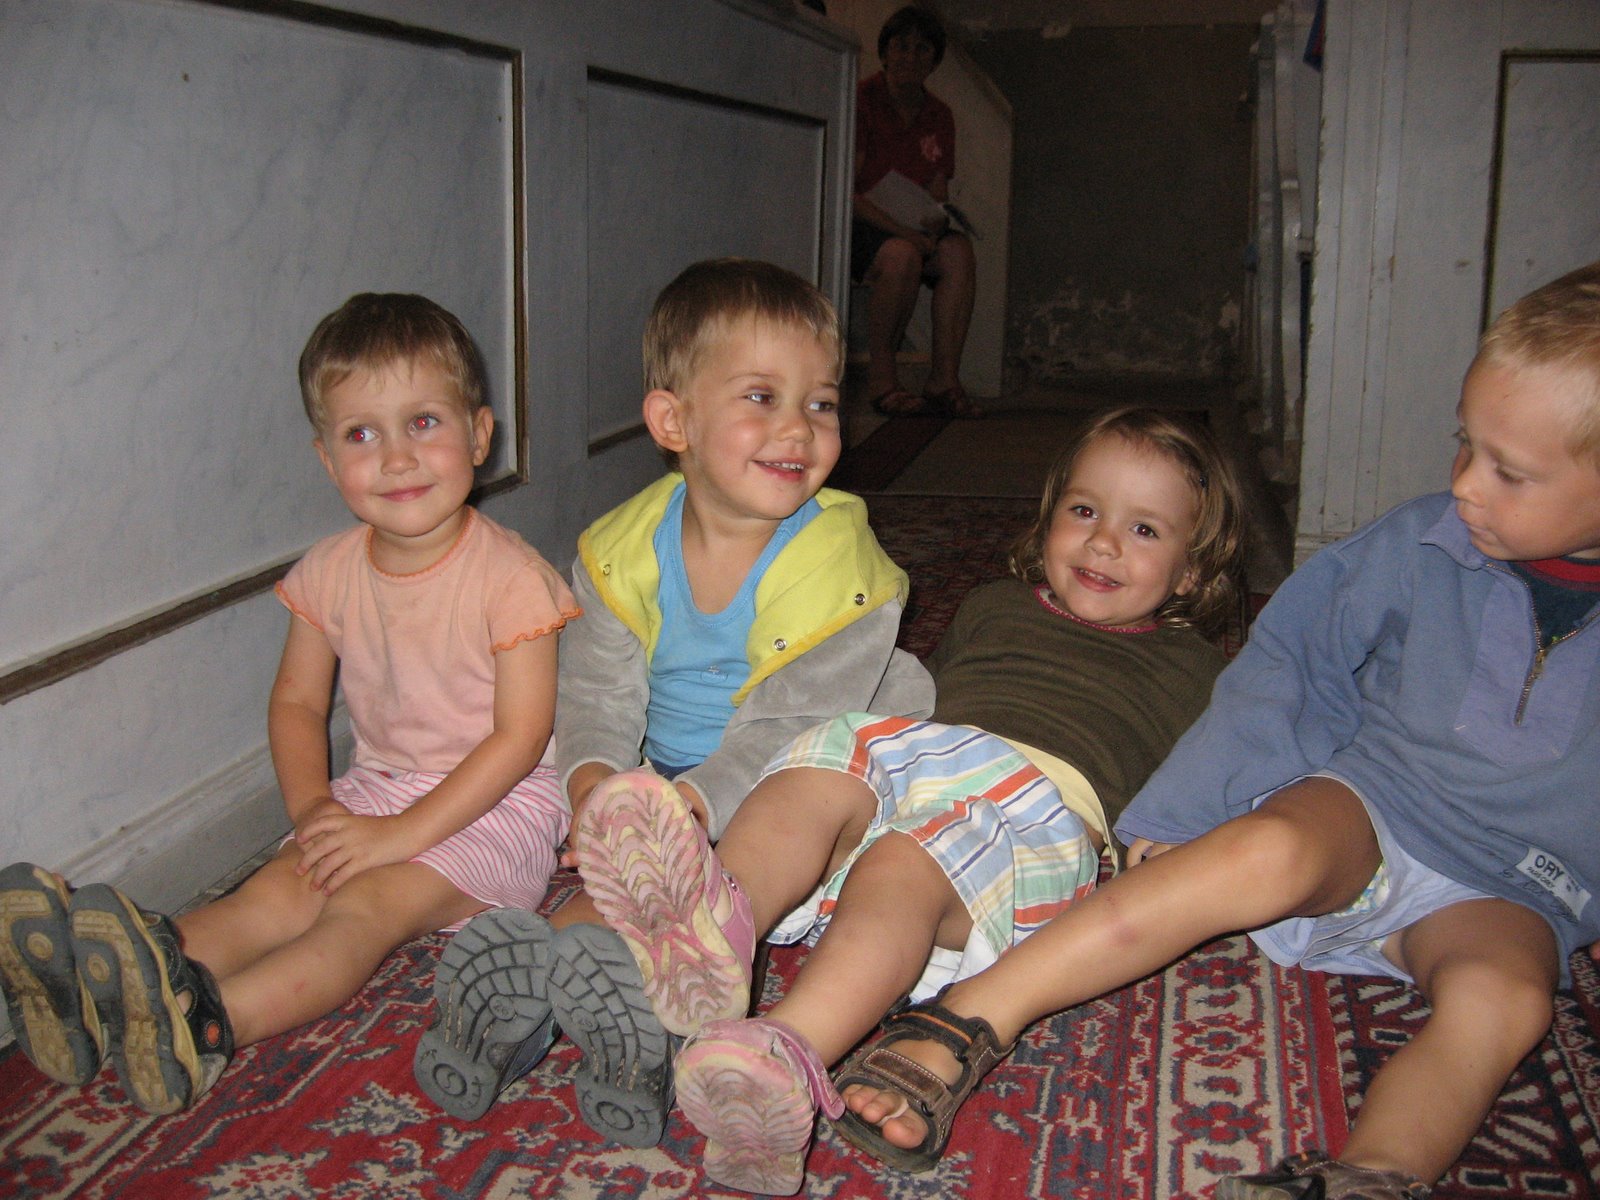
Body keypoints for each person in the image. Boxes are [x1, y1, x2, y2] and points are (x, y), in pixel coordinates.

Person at [829, 261, 1600, 1200]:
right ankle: (967, 1020)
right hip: (1375, 803)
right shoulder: (1420, 540)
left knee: (1506, 1001)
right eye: (1464, 446)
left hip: (1517, 879)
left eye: (1508, 471)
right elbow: (1292, 662)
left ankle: (1370, 1177)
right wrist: (1192, 803)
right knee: (1263, 850)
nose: (1465, 485)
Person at [572, 406, 1248, 1193]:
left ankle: (783, 1057)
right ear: (1049, 516)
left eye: (1145, 530)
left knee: (905, 861)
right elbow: (920, 703)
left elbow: (1219, 776)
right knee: (823, 761)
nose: (1103, 543)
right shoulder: (992, 604)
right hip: (928, 763)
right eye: (1085, 511)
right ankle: (718, 916)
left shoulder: (1196, 669)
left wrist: (1176, 835)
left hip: (1032, 820)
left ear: (1192, 572)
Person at [0, 293, 578, 1115]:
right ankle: (103, 987)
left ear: (480, 436)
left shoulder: (513, 578)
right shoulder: (328, 571)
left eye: (423, 423)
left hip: (499, 806)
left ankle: (205, 1023)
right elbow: (298, 703)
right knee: (274, 891)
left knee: (361, 908)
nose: (397, 458)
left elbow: (520, 738)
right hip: (381, 789)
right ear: (327, 459)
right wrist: (314, 812)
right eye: (362, 434)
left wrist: (397, 837)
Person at [412, 258, 935, 1143]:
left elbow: (791, 728)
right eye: (762, 397)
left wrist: (690, 806)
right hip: (672, 781)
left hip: (796, 778)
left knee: (715, 875)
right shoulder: (621, 553)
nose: (799, 428)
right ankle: (520, 1013)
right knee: (607, 906)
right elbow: (597, 692)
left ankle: (654, 1028)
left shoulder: (848, 574)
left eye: (821, 403)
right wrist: (594, 786)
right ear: (673, 421)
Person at [853, 5, 980, 418]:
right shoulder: (862, 100)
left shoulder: (938, 114)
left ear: (934, 60)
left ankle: (944, 379)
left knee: (958, 252)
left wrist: (936, 220)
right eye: (902, 46)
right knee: (901, 255)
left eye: (922, 49)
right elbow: (848, 190)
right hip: (865, 221)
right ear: (885, 52)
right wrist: (904, 232)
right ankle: (883, 380)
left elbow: (937, 187)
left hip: (911, 220)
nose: (911, 56)